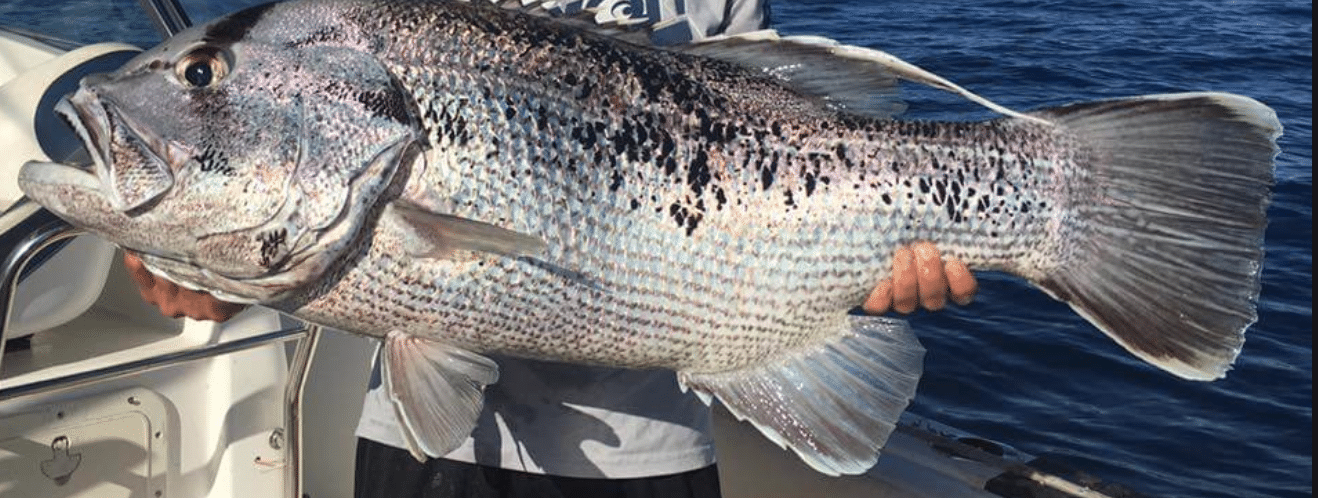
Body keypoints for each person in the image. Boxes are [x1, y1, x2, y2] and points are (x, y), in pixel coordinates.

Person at [125, 2, 980, 497]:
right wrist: (220, 262)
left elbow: (795, 140)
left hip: (649, 452)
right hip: (422, 451)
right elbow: (326, 175)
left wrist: (858, 266)